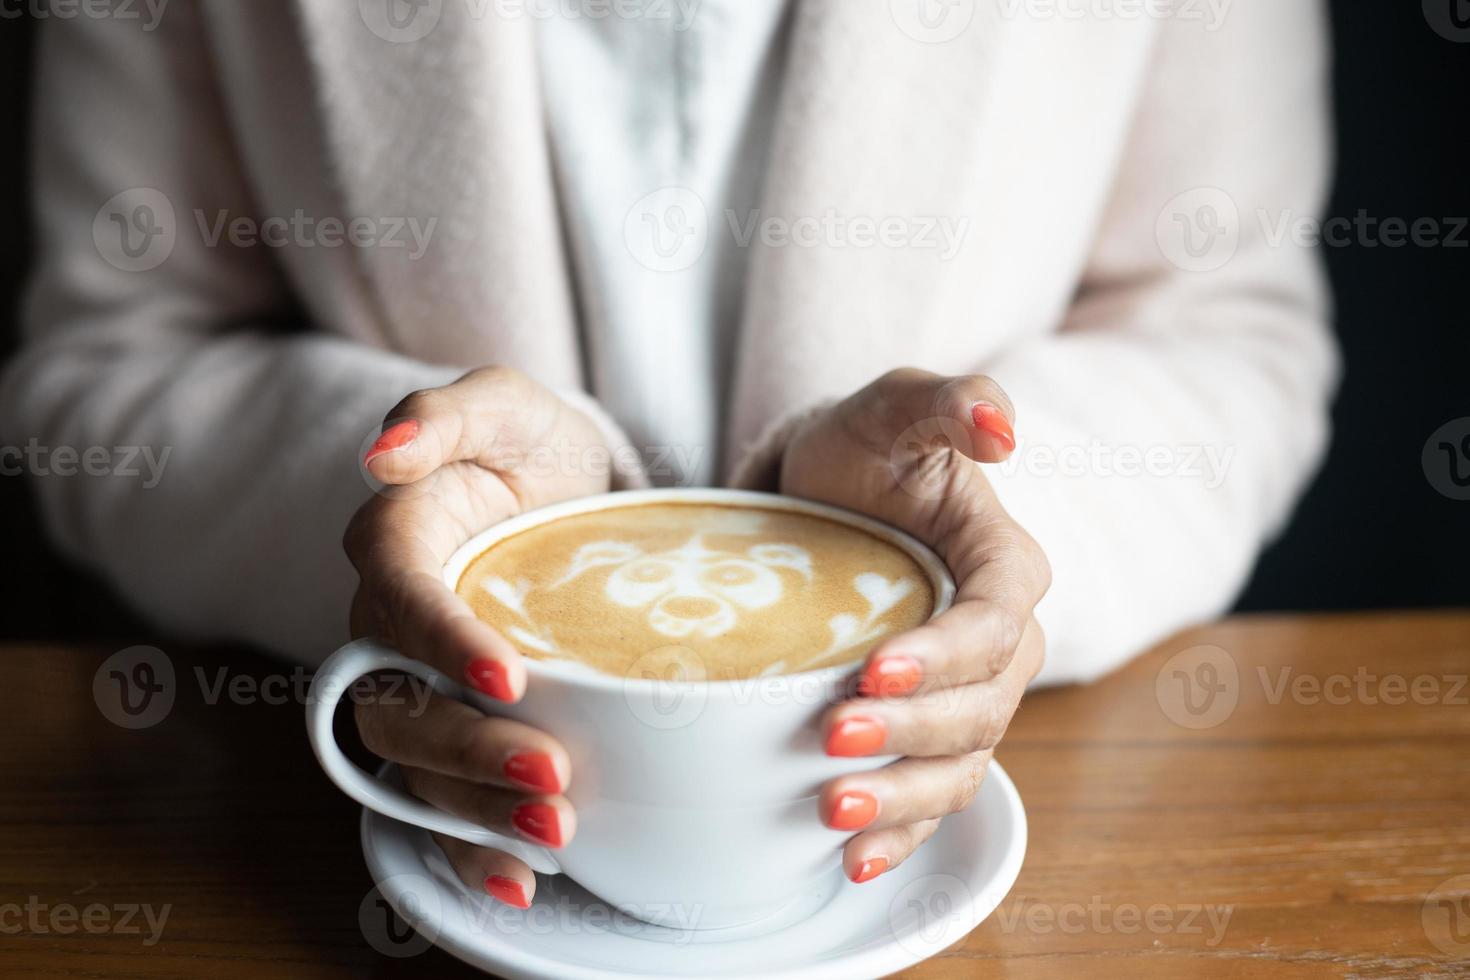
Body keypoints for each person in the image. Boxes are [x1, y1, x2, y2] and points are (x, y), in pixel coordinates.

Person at [0, 0, 1335, 908]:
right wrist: (408, 508)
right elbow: (107, 363)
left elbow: (1222, 324)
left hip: (987, 815)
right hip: (363, 850)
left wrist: (974, 523)